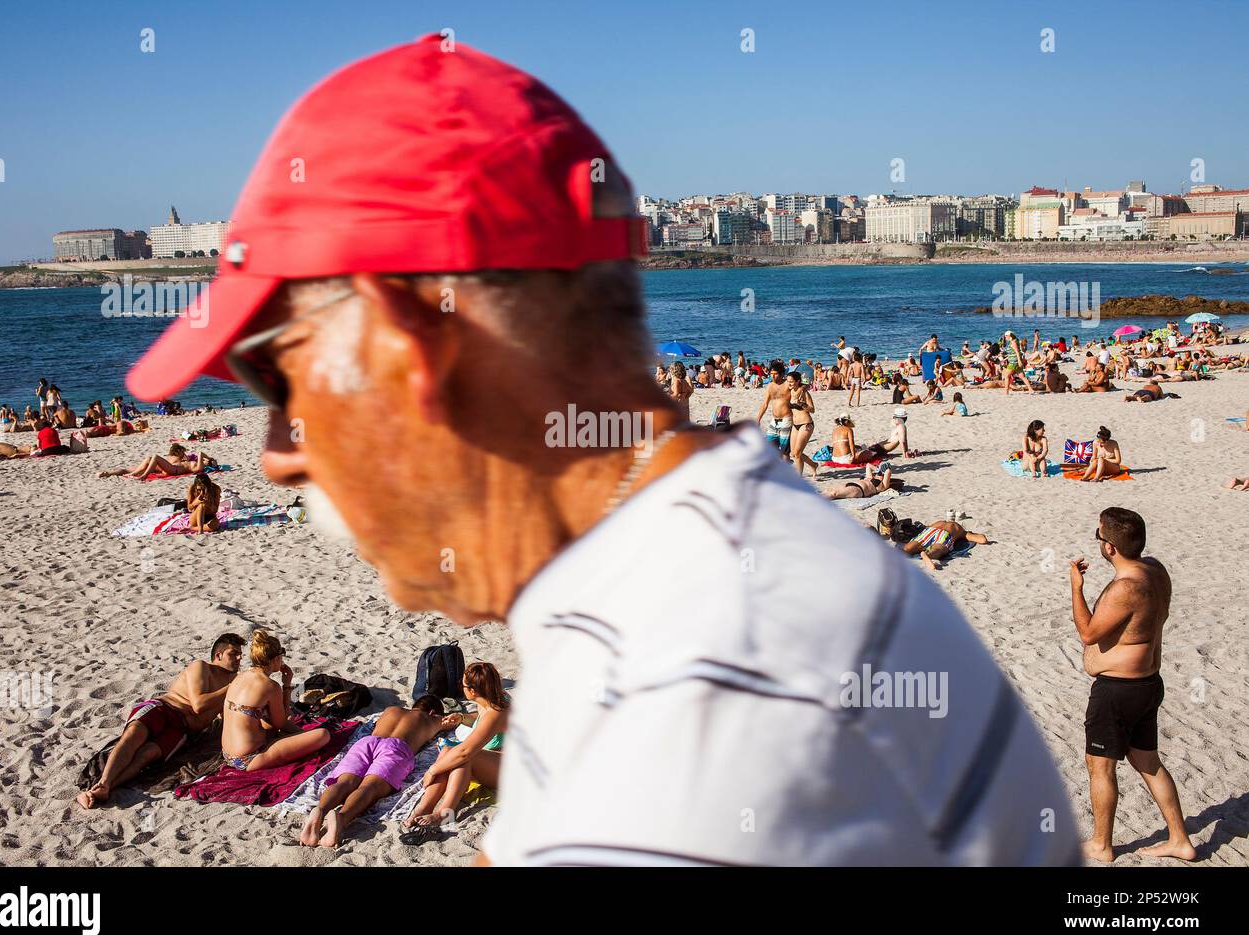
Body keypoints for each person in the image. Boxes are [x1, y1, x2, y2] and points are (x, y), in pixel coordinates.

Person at [125, 36, 1078, 865]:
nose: (280, 456)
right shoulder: (692, 580)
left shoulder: (705, 692)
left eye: (283, 385)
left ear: (404, 350)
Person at [1071, 508, 1196, 863]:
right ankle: (1180, 840)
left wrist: (1076, 588)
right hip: (1148, 684)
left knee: (1100, 765)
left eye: (1099, 536)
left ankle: (1101, 845)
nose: (1098, 541)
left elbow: (1088, 633)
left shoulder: (1124, 588)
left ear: (1109, 548)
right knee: (1148, 762)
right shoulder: (1156, 570)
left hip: (1118, 691)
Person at [77, 634, 245, 808]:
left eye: (241, 654)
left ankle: (105, 788)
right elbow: (198, 704)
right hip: (164, 708)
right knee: (133, 736)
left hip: (182, 729)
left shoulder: (234, 682)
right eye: (233, 653)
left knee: (147, 755)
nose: (239, 658)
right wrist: (233, 687)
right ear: (218, 655)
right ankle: (103, 782)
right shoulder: (202, 667)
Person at [300, 694, 463, 847]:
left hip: (367, 742)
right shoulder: (432, 718)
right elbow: (460, 719)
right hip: (396, 748)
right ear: (433, 711)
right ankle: (341, 819)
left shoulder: (391, 710)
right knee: (369, 788)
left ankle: (320, 810)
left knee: (345, 782)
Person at [405, 662, 510, 836]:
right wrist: (462, 718)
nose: (461, 688)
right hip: (498, 757)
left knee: (464, 758)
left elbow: (465, 752)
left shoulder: (497, 712)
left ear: (473, 690)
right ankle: (425, 807)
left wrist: (433, 769)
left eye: (462, 685)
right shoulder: (490, 698)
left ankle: (444, 814)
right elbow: (481, 720)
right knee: (447, 751)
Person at [220, 630, 332, 771]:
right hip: (250, 758)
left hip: (228, 753)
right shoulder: (270, 686)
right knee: (323, 735)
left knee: (278, 726)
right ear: (275, 659)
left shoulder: (240, 677)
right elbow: (282, 722)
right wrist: (287, 686)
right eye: (281, 655)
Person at [902, 518, 991, 571]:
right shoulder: (960, 531)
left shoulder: (939, 522)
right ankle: (927, 554)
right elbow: (983, 540)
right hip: (944, 535)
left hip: (928, 532)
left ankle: (893, 555)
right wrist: (972, 534)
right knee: (938, 549)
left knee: (906, 549)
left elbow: (923, 528)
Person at [99, 443, 215, 479]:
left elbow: (200, 455)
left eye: (205, 460)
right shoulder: (190, 461)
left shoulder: (199, 466)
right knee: (148, 459)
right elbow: (192, 456)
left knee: (155, 457)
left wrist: (208, 459)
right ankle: (108, 473)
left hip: (173, 470)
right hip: (170, 468)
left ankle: (144, 475)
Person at [756, 361, 792, 459]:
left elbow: (800, 388)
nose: (773, 376)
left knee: (784, 451)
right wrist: (758, 419)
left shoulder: (788, 384)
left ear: (781, 374)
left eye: (775, 374)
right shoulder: (770, 386)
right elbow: (765, 404)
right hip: (774, 420)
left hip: (787, 419)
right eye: (771, 374)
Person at [786, 370, 817, 476]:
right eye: (788, 381)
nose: (789, 383)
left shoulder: (804, 392)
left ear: (798, 381)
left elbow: (812, 409)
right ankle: (813, 465)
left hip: (806, 424)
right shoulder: (790, 391)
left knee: (797, 453)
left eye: (791, 381)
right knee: (794, 453)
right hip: (795, 425)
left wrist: (803, 404)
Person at [822, 463, 903, 500]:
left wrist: (883, 470)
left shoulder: (883, 486)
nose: (880, 475)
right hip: (852, 484)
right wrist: (878, 470)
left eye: (882, 475)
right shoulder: (870, 477)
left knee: (834, 494)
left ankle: (817, 504)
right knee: (829, 490)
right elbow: (868, 465)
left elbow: (888, 471)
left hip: (859, 490)